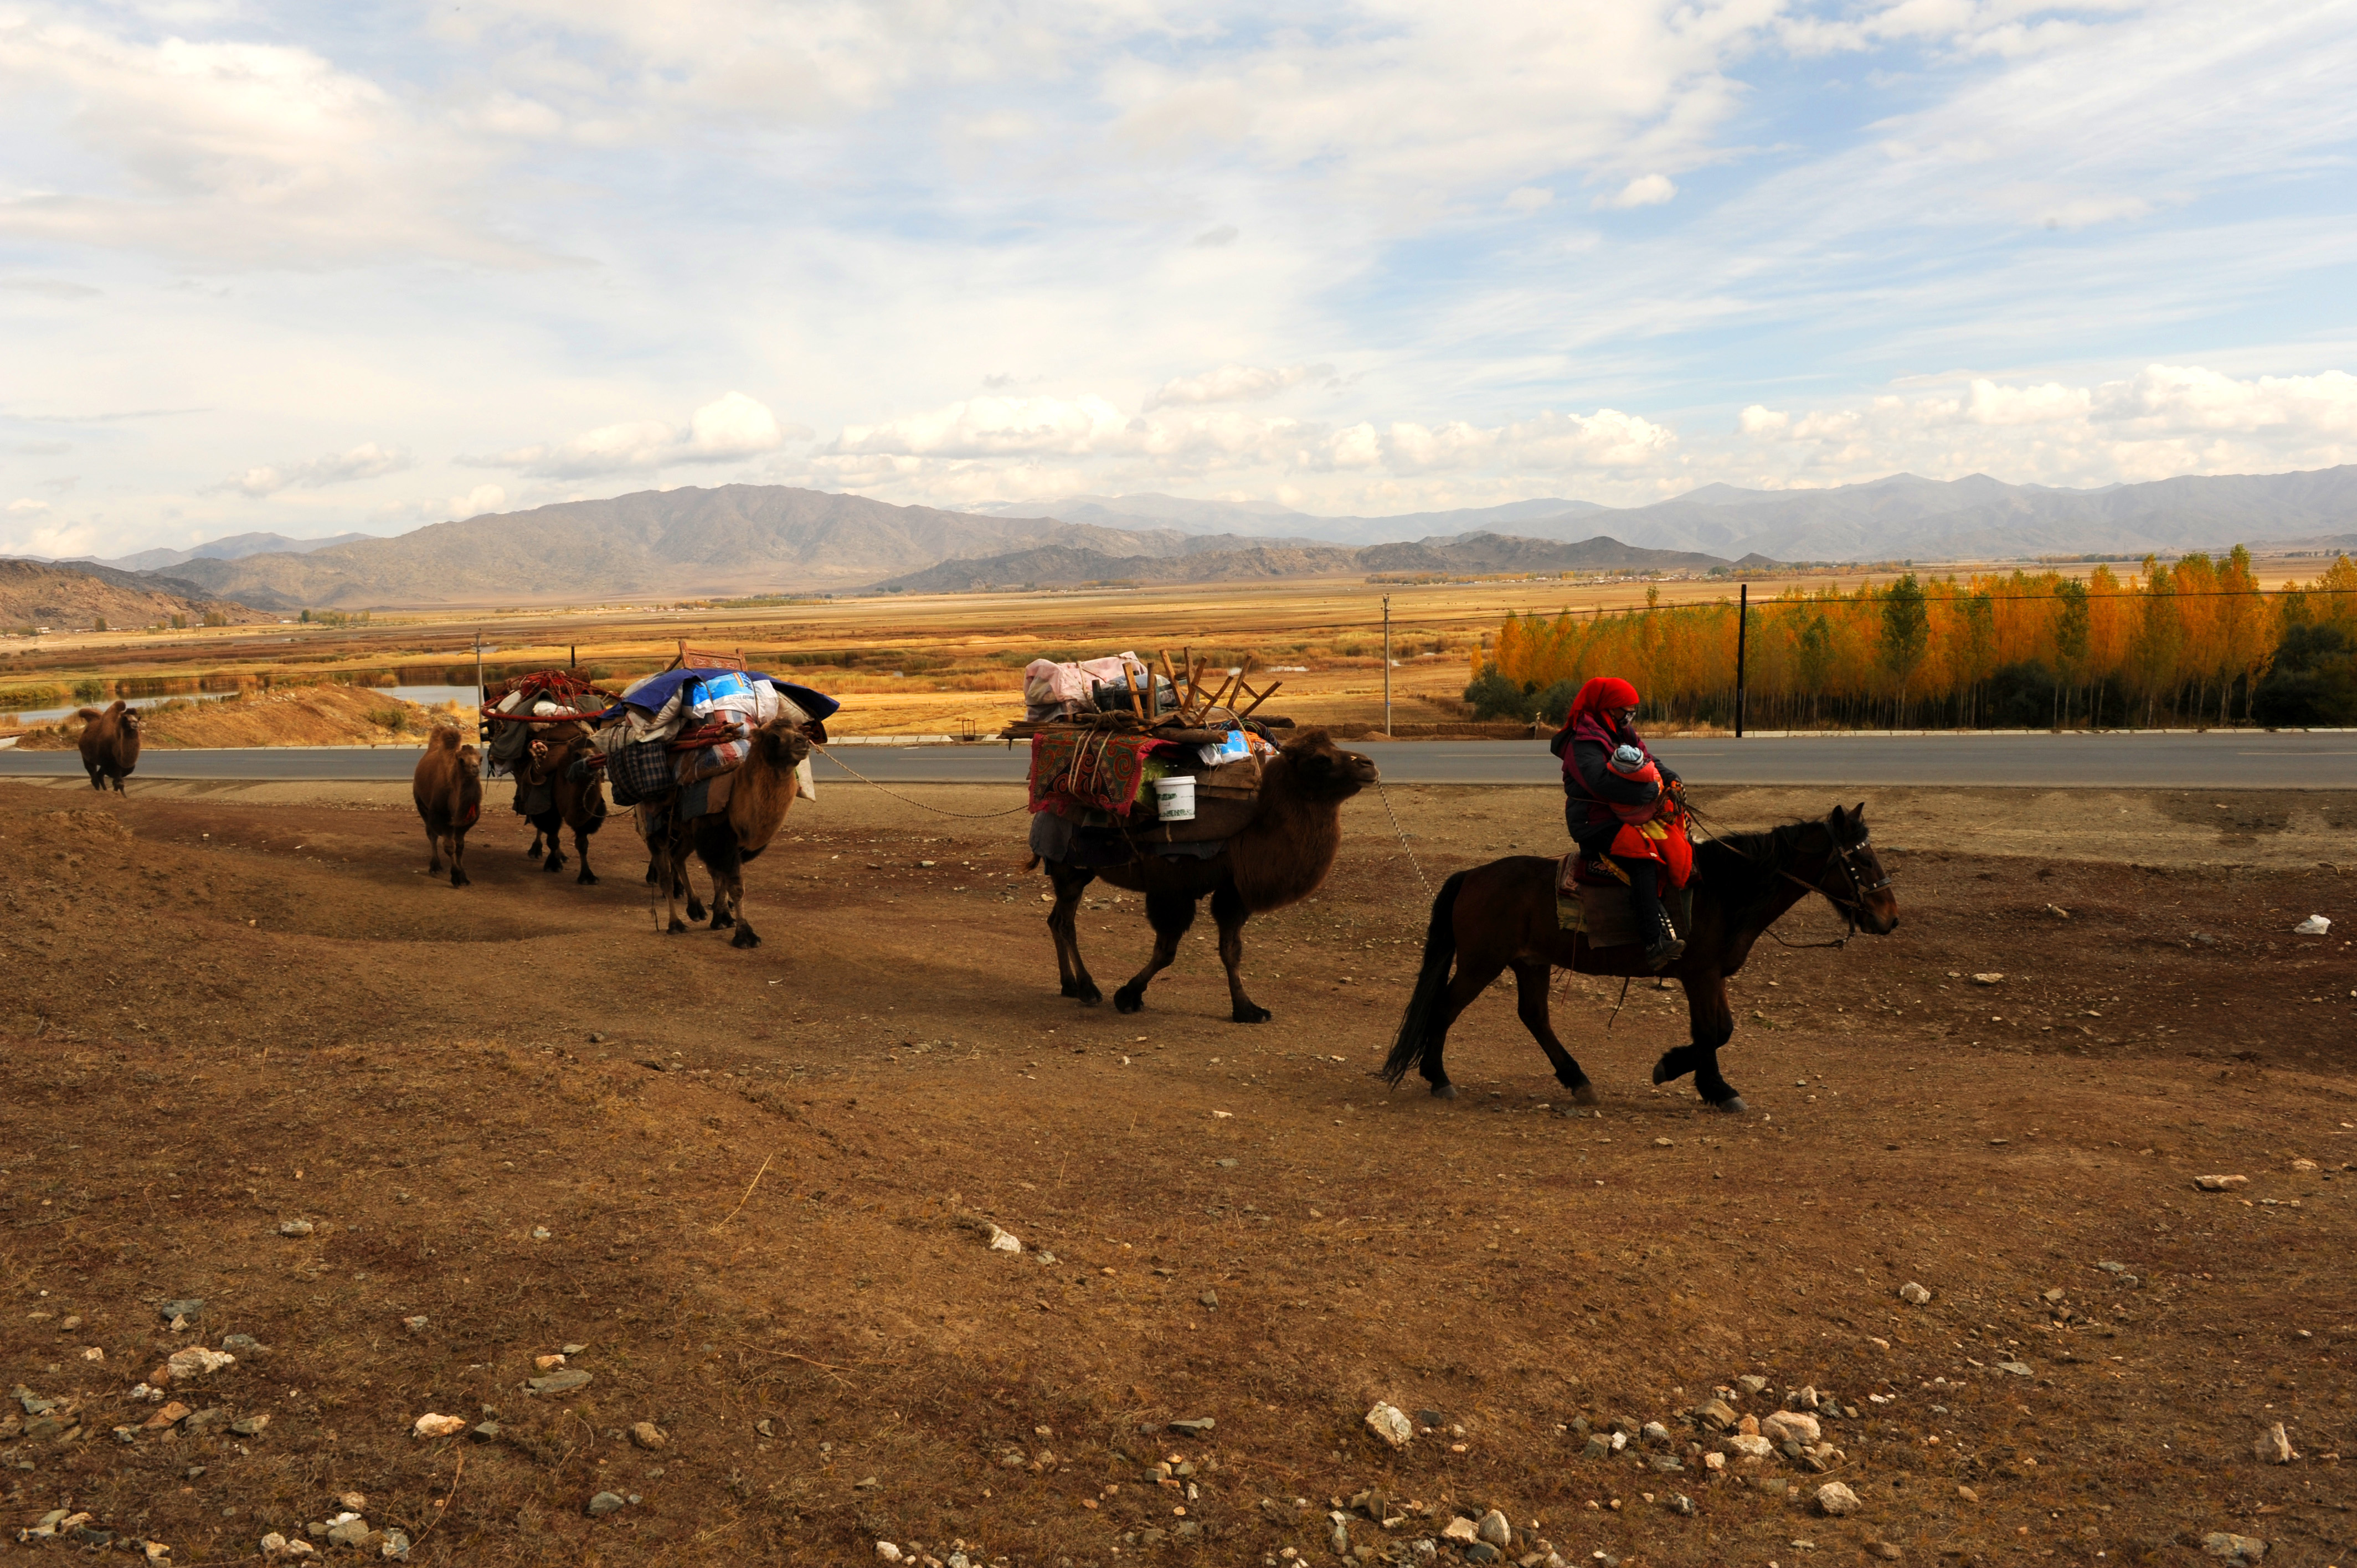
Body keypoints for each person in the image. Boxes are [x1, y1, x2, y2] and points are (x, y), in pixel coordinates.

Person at [1549, 675, 1692, 966]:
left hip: (1623, 813)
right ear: (1607, 708)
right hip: (1595, 821)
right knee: (1643, 857)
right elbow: (1599, 782)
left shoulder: (1620, 732)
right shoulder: (1582, 741)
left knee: (1676, 839)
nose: (1630, 714)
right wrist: (1651, 791)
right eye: (1625, 708)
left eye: (1632, 709)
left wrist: (1672, 781)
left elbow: (1650, 759)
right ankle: (1653, 943)